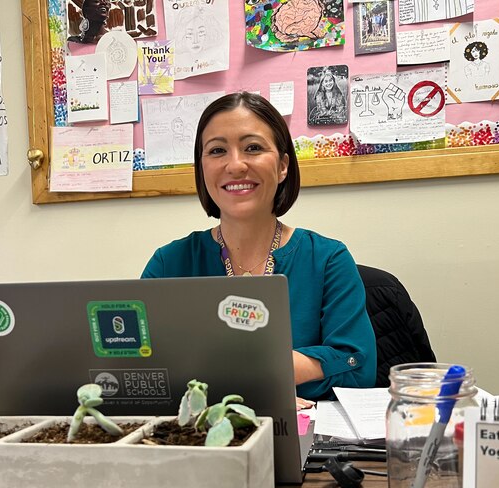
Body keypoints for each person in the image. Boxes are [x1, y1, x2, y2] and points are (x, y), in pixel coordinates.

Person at [141, 92, 376, 406]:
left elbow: (357, 368)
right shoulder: (169, 264)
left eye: (253, 147)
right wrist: (275, 377)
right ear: (202, 168)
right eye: (217, 150)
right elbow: (139, 369)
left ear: (282, 166)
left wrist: (238, 374)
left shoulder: (328, 259)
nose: (235, 165)